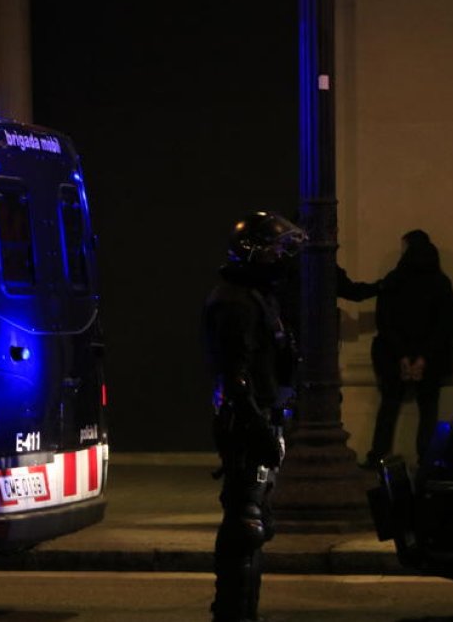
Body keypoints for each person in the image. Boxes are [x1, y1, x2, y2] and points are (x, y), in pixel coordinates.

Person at [203, 211, 305, 622]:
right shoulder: (234, 301)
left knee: (256, 521)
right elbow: (236, 371)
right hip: (247, 420)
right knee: (245, 524)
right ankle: (234, 613)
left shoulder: (257, 296)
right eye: (275, 252)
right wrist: (257, 424)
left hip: (262, 414)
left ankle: (243, 610)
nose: (282, 260)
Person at [362, 229, 453, 468]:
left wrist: (403, 356)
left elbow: (385, 322)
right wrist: (424, 358)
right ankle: (426, 459)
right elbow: (445, 324)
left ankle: (379, 454)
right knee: (428, 409)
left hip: (394, 354)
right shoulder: (440, 282)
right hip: (432, 357)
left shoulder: (394, 280)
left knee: (389, 407)